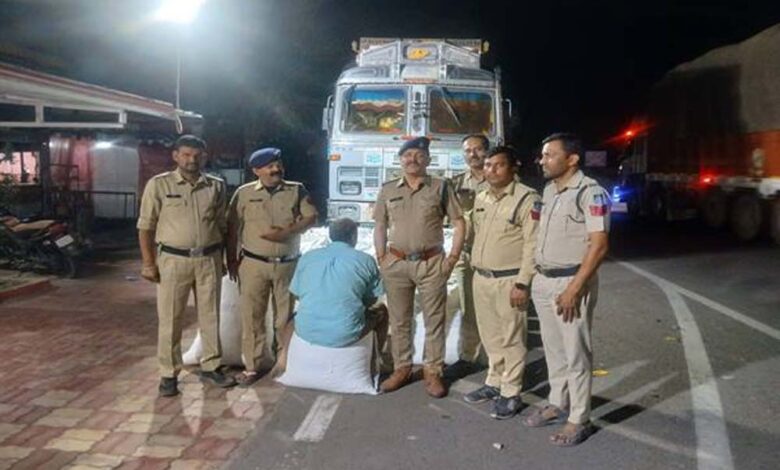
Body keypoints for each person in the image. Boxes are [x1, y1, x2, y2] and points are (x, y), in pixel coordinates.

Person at [523, 133, 610, 446]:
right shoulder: (549, 190)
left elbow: (599, 246)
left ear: (572, 159)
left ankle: (579, 418)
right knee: (554, 350)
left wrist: (575, 288)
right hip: (544, 281)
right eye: (542, 155)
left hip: (570, 282)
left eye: (549, 155)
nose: (542, 161)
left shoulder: (591, 192)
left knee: (576, 353)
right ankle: (557, 402)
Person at [137, 134, 236, 397]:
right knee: (170, 318)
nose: (192, 160)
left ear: (205, 157)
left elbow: (223, 226)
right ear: (176, 156)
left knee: (211, 316)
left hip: (209, 259)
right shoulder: (159, 185)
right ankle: (168, 374)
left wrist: (226, 259)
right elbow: (145, 227)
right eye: (186, 155)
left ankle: (212, 366)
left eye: (197, 156)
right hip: (173, 261)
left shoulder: (215, 186)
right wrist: (148, 263)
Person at [373, 136, 465, 398]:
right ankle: (401, 368)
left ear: (427, 160)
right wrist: (381, 257)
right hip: (396, 263)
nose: (412, 160)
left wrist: (452, 258)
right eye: (407, 155)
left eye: (418, 155)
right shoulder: (388, 189)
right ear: (400, 160)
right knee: (399, 319)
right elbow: (380, 225)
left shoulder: (440, 187)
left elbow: (459, 222)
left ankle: (432, 371)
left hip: (431, 263)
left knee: (434, 320)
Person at [226, 147, 318, 387]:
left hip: (287, 264)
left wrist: (286, 233)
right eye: (270, 166)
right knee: (252, 317)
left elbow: (311, 217)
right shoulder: (244, 193)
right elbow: (232, 229)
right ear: (256, 170)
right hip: (253, 264)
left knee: (284, 317)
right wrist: (231, 259)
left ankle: (283, 363)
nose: (276, 169)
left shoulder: (296, 190)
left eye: (278, 164)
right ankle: (252, 366)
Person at [467, 147, 540, 419]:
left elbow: (532, 244)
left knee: (512, 338)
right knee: (490, 335)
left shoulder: (527, 199)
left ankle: (511, 392)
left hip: (509, 280)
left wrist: (523, 283)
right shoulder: (481, 196)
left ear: (513, 168)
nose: (491, 170)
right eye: (488, 165)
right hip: (482, 277)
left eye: (498, 165)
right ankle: (494, 382)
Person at [273, 218, 388, 373]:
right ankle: (377, 361)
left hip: (307, 330)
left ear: (330, 235)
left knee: (293, 320)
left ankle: (282, 360)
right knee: (382, 312)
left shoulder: (308, 257)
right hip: (346, 333)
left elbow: (298, 294)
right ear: (353, 237)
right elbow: (372, 299)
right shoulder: (366, 260)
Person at [448, 134, 490, 366]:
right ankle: (469, 356)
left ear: (487, 151)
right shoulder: (456, 183)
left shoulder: (500, 179)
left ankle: (497, 359)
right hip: (466, 253)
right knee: (469, 308)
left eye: (478, 149)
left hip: (494, 254)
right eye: (467, 150)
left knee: (495, 309)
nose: (472, 154)